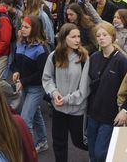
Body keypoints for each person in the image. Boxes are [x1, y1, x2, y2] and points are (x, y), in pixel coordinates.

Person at [42, 23, 90, 162]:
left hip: (77, 110)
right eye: (73, 37)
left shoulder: (84, 58)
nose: (77, 40)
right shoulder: (53, 56)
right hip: (58, 109)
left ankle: (100, 154)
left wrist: (67, 99)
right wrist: (54, 93)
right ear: (64, 38)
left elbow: (84, 89)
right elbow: (47, 78)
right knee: (58, 143)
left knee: (79, 142)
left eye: (78, 36)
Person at [87, 22, 127, 162]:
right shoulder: (94, 57)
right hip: (93, 113)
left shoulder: (121, 61)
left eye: (104, 35)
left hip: (110, 115)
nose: (101, 38)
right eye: (98, 35)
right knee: (92, 151)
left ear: (112, 37)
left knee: (101, 153)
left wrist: (124, 110)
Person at [12, 15, 49, 153]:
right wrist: (16, 71)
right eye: (22, 26)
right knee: (36, 114)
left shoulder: (41, 49)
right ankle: (42, 141)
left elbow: (42, 74)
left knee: (25, 120)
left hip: (37, 88)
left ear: (35, 29)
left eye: (26, 27)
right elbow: (16, 62)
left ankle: (26, 152)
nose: (22, 29)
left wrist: (23, 80)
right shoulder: (20, 43)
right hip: (25, 86)